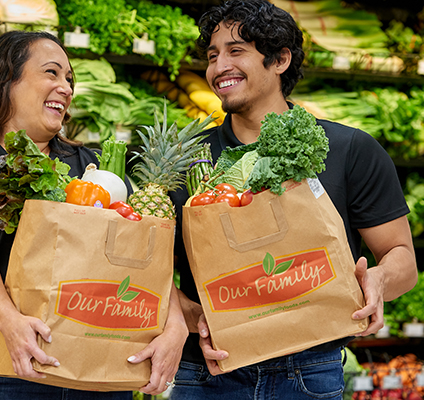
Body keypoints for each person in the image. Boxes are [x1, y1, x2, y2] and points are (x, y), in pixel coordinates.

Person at [168, 0, 418, 399]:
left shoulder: (349, 149)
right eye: (213, 56)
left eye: (236, 51)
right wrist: (195, 316)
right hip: (209, 370)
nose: (218, 68)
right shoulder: (186, 160)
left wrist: (377, 279)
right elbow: (155, 276)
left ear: (280, 59)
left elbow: (402, 259)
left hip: (310, 370)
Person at [0, 30, 187, 400]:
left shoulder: (94, 167)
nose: (66, 87)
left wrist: (175, 326)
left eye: (69, 79)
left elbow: (144, 256)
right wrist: (11, 322)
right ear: (3, 81)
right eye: (51, 73)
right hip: (10, 354)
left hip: (101, 344)